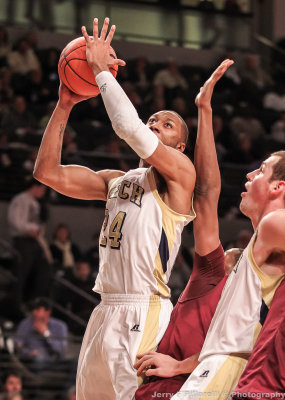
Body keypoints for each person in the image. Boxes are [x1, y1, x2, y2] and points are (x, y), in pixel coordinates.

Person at [33, 18, 196, 400]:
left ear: (181, 147)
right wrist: (65, 102)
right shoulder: (114, 180)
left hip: (144, 310)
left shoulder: (180, 177)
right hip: (104, 309)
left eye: (167, 124)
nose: (155, 125)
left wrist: (102, 72)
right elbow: (46, 172)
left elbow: (129, 128)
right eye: (153, 119)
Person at [134, 60, 235, 400]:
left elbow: (242, 353)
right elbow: (207, 194)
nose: (232, 254)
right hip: (153, 385)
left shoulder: (257, 307)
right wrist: (204, 109)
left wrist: (179, 366)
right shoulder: (212, 276)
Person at [171, 159, 285, 395]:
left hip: (230, 369)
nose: (250, 174)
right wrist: (181, 365)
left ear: (278, 187)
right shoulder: (254, 249)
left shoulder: (272, 224)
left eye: (262, 170)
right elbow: (232, 336)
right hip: (221, 366)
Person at [7, 178, 51, 303]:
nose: (43, 193)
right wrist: (28, 229)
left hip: (35, 240)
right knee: (21, 273)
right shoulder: (20, 199)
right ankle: (16, 302)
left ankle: (34, 301)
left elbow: (38, 223)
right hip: (22, 240)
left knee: (42, 269)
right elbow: (15, 221)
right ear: (36, 187)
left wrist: (38, 230)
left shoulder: (35, 203)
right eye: (42, 189)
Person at [14, 298, 68, 366]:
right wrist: (29, 353)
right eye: (33, 309)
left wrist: (46, 333)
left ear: (48, 312)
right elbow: (17, 345)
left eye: (37, 310)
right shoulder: (25, 324)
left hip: (53, 361)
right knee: (39, 358)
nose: (34, 312)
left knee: (75, 363)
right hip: (31, 361)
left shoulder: (60, 326)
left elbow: (62, 351)